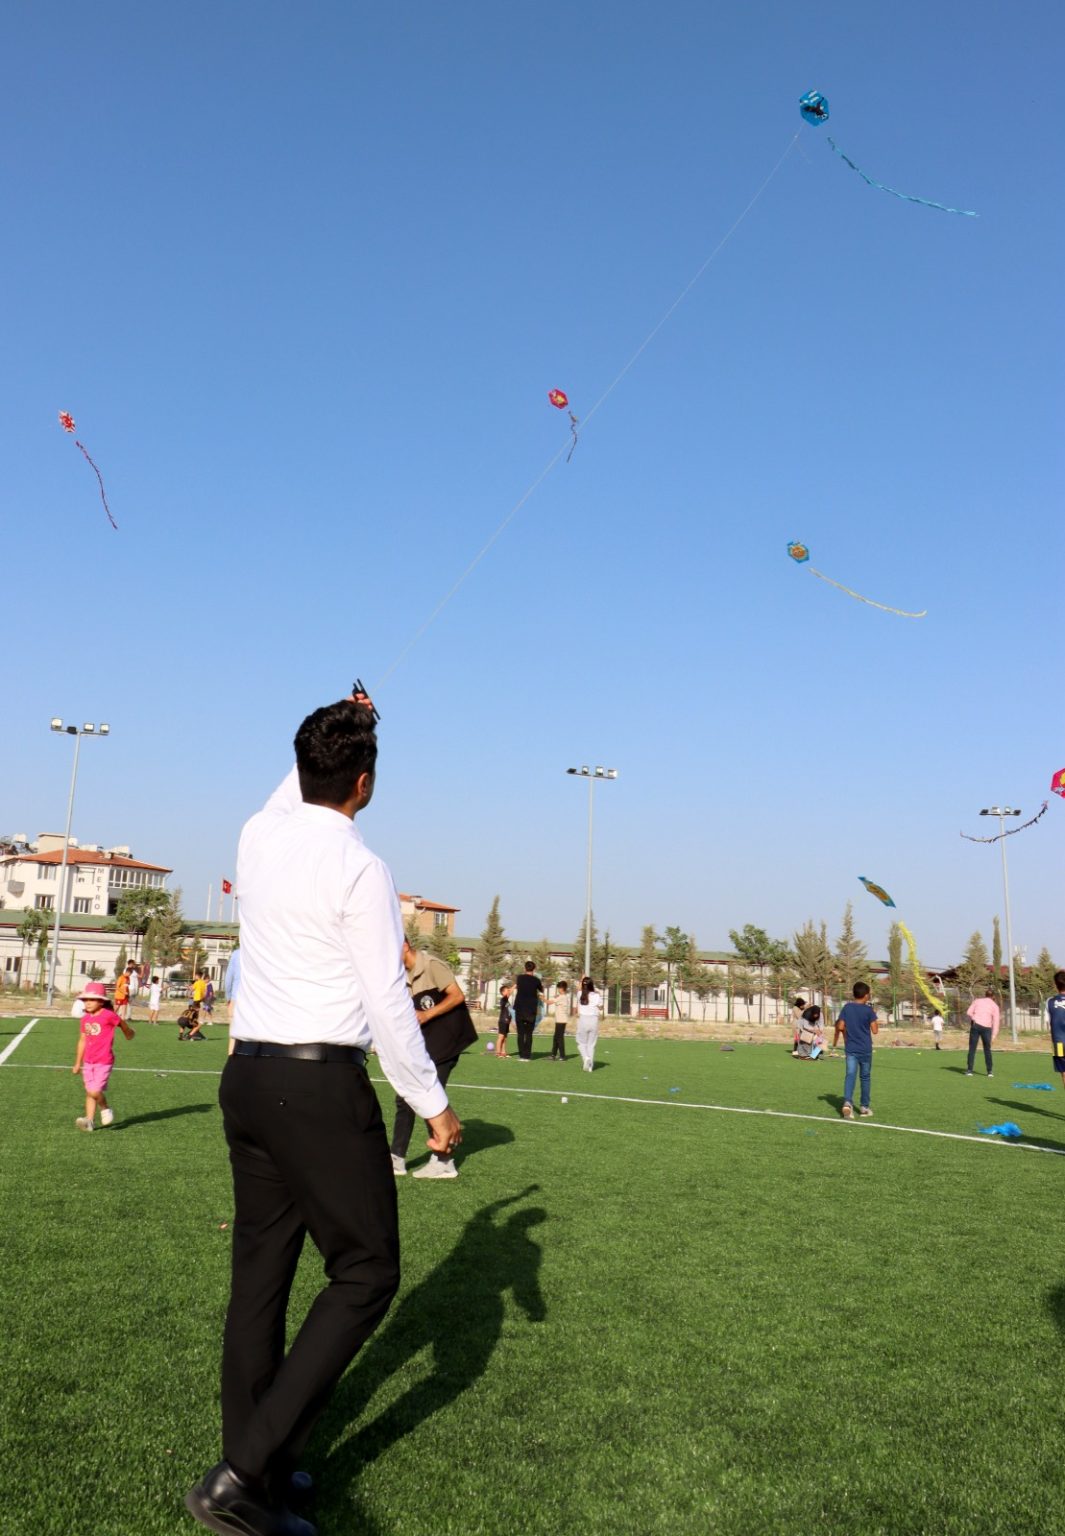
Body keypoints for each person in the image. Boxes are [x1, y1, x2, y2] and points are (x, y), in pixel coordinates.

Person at [186, 695, 461, 1536]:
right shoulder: (361, 867)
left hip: (248, 1080)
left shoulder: (258, 834)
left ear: (303, 769)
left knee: (259, 1280)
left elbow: (296, 783)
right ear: (365, 784)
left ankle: (257, 1475)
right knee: (368, 1272)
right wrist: (434, 1104)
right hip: (315, 1086)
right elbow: (385, 997)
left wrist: (342, 718)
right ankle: (239, 1475)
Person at [391, 938, 477, 1180]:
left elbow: (457, 996)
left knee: (430, 1095)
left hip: (448, 1041)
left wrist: (427, 1014)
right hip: (425, 1045)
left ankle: (444, 1162)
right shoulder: (400, 975)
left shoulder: (432, 965)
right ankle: (396, 1158)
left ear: (404, 946)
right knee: (405, 1096)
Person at [71, 979, 135, 1130]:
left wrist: (128, 1033)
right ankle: (89, 1121)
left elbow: (121, 1023)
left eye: (92, 999)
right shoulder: (85, 1018)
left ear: (101, 1001)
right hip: (88, 1061)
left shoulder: (108, 1015)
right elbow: (82, 1040)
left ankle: (105, 1108)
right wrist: (77, 1063)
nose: (87, 1002)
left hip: (104, 1060)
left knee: (94, 1091)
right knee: (90, 1091)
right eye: (85, 999)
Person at [836, 981, 879, 1119]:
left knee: (850, 1075)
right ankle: (864, 1107)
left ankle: (847, 1103)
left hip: (851, 1048)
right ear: (866, 995)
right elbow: (875, 1030)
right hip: (865, 1048)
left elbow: (841, 1026)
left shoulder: (847, 1008)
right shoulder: (868, 1010)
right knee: (865, 1077)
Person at [513, 960, 544, 1062]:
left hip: (520, 1008)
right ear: (534, 969)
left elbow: (518, 986)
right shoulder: (536, 980)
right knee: (529, 1033)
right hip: (531, 1009)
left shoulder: (520, 978)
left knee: (521, 1033)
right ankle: (527, 1056)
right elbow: (541, 990)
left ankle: (522, 1055)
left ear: (525, 968)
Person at [965, 989, 1000, 1078]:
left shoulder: (977, 1001)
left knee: (972, 1048)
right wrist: (994, 1036)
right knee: (987, 1050)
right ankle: (989, 1072)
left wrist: (974, 1018)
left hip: (976, 1025)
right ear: (993, 996)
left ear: (985, 995)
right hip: (987, 1028)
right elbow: (996, 1022)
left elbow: (968, 1012)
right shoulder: (995, 1006)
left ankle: (969, 1070)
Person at [576, 975, 603, 1072]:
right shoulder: (596, 995)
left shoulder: (580, 994)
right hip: (594, 1020)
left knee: (581, 1043)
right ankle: (590, 1067)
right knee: (591, 1044)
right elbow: (601, 1007)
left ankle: (586, 1058)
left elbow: (579, 988)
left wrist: (582, 979)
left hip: (583, 1020)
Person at [1048, 971, 1065, 1088]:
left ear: (1055, 984)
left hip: (1057, 1043)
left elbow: (1048, 1024)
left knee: (1064, 1073)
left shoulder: (1050, 1001)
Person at [549, 981, 571, 1061]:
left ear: (562, 988)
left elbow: (549, 1002)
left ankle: (562, 1056)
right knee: (556, 1037)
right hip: (560, 1020)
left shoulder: (562, 997)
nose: (558, 989)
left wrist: (542, 998)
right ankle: (553, 1054)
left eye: (558, 988)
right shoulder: (562, 997)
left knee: (559, 1038)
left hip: (561, 1020)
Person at [496, 982, 513, 1059]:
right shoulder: (503, 999)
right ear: (503, 992)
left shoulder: (507, 1001)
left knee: (505, 1038)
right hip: (502, 1021)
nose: (508, 991)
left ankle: (503, 1052)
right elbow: (509, 993)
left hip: (506, 1022)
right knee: (501, 1037)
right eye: (507, 990)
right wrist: (515, 985)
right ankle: (498, 1053)